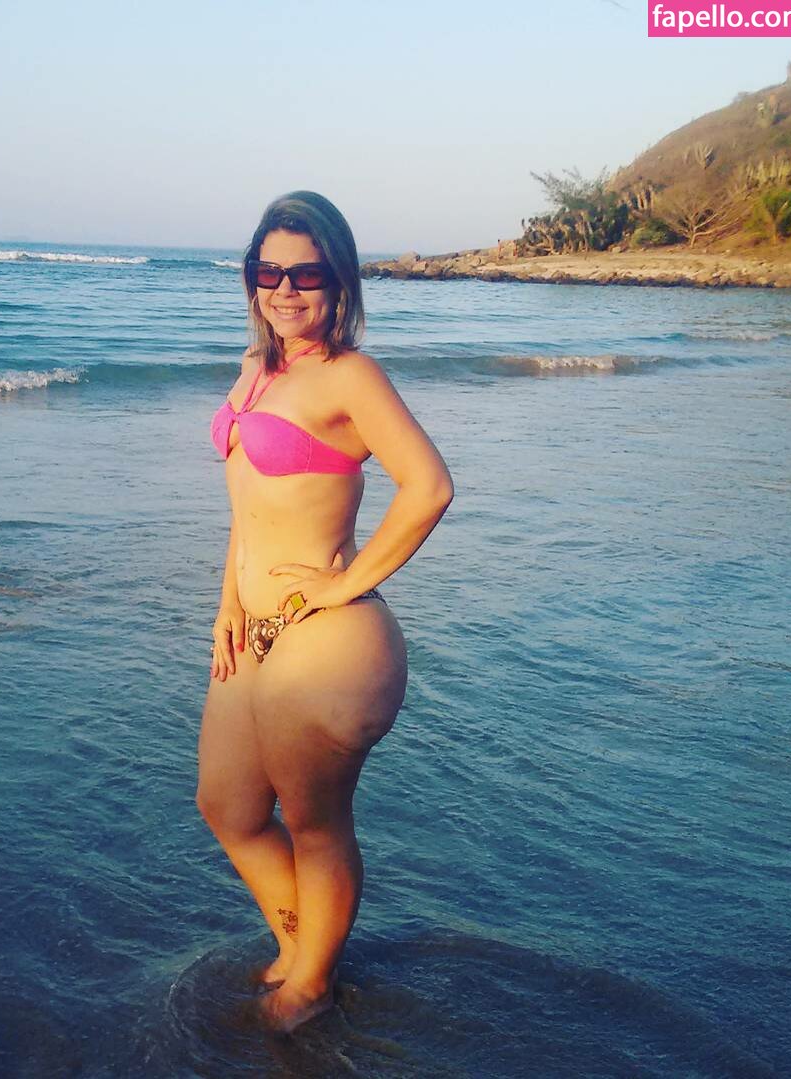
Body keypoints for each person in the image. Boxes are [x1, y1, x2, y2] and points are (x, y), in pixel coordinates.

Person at [197, 191, 454, 1032]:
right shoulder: (256, 367)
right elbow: (247, 507)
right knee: (227, 807)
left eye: (305, 274)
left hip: (330, 637)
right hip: (254, 630)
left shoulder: (350, 375)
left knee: (314, 823)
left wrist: (343, 586)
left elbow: (429, 486)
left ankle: (310, 985)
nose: (284, 288)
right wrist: (227, 605)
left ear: (338, 279)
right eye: (268, 270)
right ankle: (301, 944)